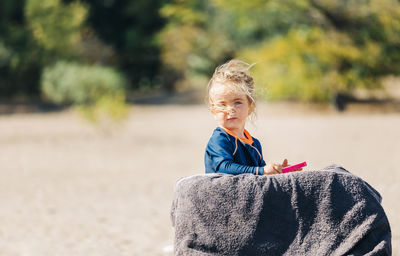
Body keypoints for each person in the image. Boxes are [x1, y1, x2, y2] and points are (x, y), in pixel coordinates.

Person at [204, 59, 301, 175]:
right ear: (213, 111)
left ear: (250, 107)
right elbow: (224, 167)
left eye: (237, 102)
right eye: (222, 104)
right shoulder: (220, 139)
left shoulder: (254, 144)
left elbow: (261, 175)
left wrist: (278, 170)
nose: (230, 109)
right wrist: (261, 170)